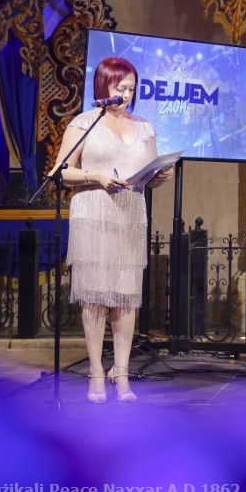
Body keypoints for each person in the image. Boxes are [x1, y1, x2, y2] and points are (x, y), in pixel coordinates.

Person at [49, 56, 168, 403]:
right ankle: (96, 372)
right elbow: (59, 171)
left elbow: (148, 170)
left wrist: (157, 177)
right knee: (95, 298)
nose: (127, 95)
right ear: (104, 85)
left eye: (132, 89)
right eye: (121, 88)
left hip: (130, 214)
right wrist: (95, 176)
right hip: (94, 212)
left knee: (126, 298)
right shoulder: (85, 123)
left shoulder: (145, 127)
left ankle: (122, 372)